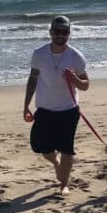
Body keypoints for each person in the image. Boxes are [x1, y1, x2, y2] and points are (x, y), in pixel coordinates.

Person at [23, 15, 89, 195]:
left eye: (64, 32)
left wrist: (74, 79)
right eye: (57, 31)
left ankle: (64, 184)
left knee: (67, 149)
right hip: (44, 110)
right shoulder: (39, 54)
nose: (60, 35)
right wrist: (26, 105)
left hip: (68, 110)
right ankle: (56, 162)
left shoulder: (76, 57)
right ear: (50, 32)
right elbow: (33, 79)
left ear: (69, 33)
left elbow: (85, 85)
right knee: (41, 147)